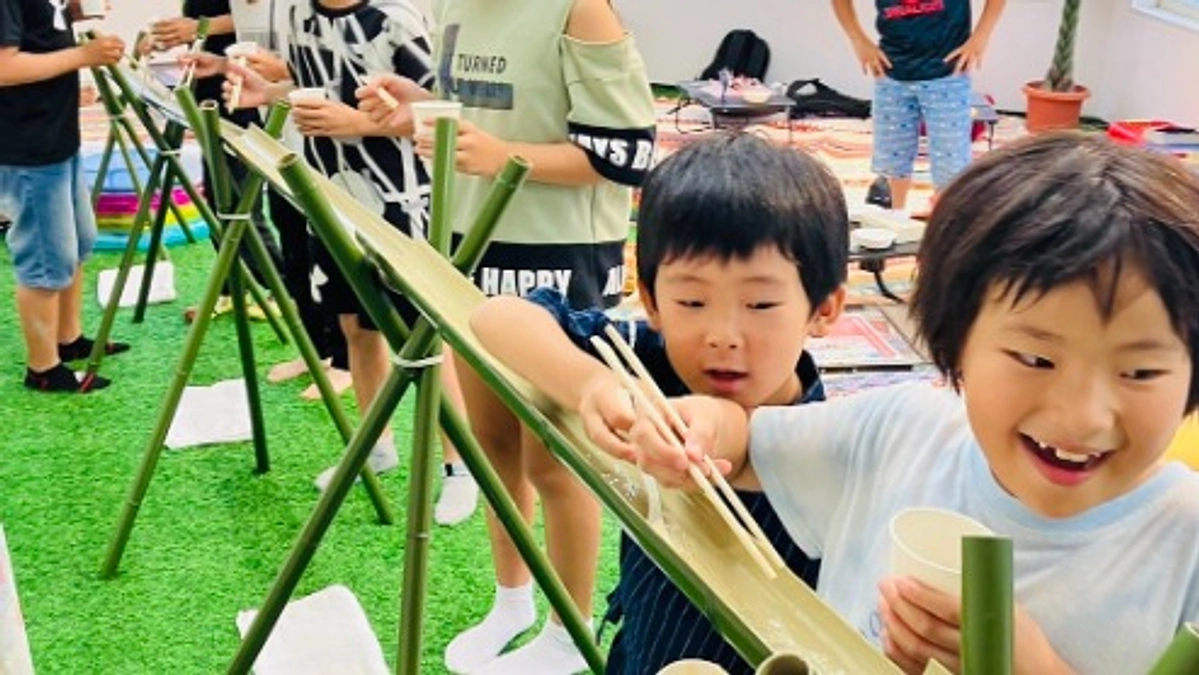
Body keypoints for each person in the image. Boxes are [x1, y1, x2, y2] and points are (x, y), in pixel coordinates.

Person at [629, 132, 1199, 675]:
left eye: (1140, 372)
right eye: (1036, 359)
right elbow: (748, 443)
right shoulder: (900, 433)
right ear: (958, 339)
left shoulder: (1186, 547)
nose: (1083, 417)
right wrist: (704, 424)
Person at [471, 133, 846, 674]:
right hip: (644, 649)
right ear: (650, 300)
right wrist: (592, 384)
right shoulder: (648, 364)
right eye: (692, 300)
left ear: (824, 309)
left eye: (761, 304)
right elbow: (497, 317)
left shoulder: (834, 445)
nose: (722, 335)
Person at [357, 0, 656, 671]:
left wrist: (502, 156)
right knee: (491, 443)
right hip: (470, 244)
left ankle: (570, 628)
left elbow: (629, 150)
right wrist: (418, 106)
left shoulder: (580, 10)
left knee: (554, 459)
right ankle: (511, 600)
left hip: (560, 255)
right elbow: (483, 110)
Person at [214, 0, 433, 490]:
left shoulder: (395, 19)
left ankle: (457, 465)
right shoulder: (299, 15)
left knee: (425, 338)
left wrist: (360, 124)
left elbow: (442, 110)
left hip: (401, 203)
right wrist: (267, 93)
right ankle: (376, 445)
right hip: (329, 198)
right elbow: (312, 85)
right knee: (355, 326)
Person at [0, 0, 129, 393]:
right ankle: (43, 368)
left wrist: (72, 12)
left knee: (77, 244)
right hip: (28, 146)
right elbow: (4, 67)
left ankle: (68, 338)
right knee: (45, 258)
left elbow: (39, 30)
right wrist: (83, 55)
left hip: (57, 136)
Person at [148, 0, 284, 320]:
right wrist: (175, 33)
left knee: (239, 203)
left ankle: (282, 288)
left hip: (243, 94)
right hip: (213, 88)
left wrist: (199, 28)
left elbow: (261, 12)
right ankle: (231, 286)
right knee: (219, 200)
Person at [831, 0, 1006, 212]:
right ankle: (897, 212)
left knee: (951, 156)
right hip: (891, 73)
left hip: (947, 74)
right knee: (894, 152)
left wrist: (981, 37)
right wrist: (858, 40)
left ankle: (944, 214)